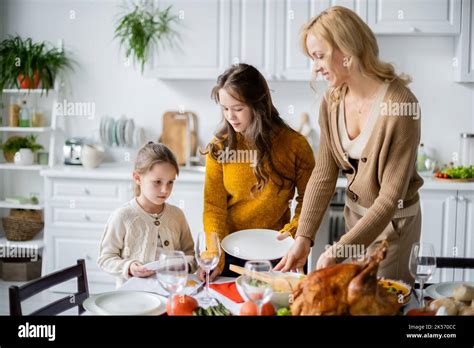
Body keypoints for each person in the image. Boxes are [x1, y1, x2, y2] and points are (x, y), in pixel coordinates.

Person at [275, 6, 423, 284]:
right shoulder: (332, 101)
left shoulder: (401, 105)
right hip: (355, 222)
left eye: (319, 56)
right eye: (312, 58)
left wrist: (338, 250)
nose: (315, 67)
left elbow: (390, 198)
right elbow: (323, 174)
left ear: (348, 50)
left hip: (394, 228)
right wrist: (304, 237)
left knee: (386, 302)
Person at [199, 63, 315, 281]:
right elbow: (213, 207)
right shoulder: (219, 147)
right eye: (225, 108)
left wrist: (295, 233)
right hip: (229, 253)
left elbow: (309, 199)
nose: (230, 116)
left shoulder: (295, 145)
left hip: (281, 253)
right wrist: (214, 253)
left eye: (238, 108)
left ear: (258, 105)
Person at [98, 142, 197, 287]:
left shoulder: (177, 215)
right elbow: (105, 259)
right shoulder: (123, 216)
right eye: (157, 182)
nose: (165, 189)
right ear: (138, 178)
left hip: (171, 293)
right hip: (133, 298)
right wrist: (129, 267)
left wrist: (186, 266)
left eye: (170, 182)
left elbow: (191, 255)